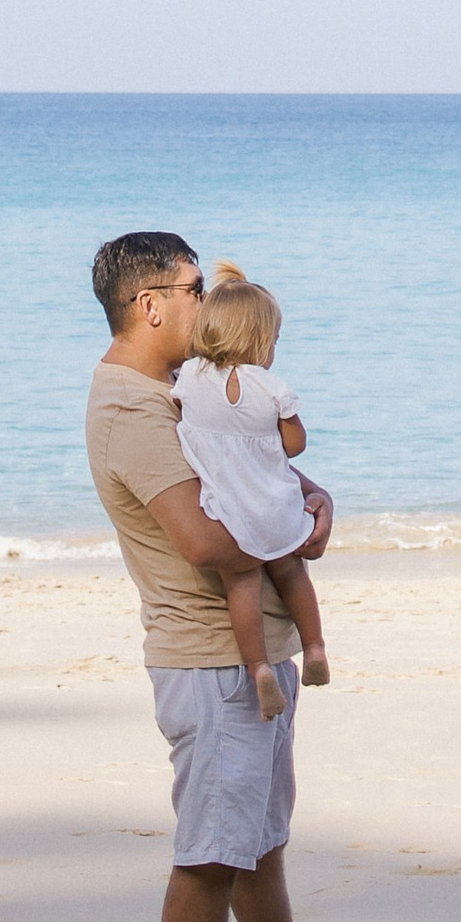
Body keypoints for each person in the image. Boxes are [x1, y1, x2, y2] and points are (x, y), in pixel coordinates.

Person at [83, 227, 368, 922]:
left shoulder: (181, 389)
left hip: (255, 658)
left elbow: (252, 468)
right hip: (211, 663)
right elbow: (206, 541)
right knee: (211, 855)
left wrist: (310, 497)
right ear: (150, 305)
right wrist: (291, 530)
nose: (208, 302)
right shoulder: (132, 410)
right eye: (194, 288)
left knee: (258, 845)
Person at [174, 266, 331, 719]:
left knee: (241, 584)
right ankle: (315, 647)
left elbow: (181, 410)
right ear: (261, 341)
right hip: (274, 506)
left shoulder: (190, 376)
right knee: (291, 573)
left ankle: (259, 668)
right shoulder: (272, 389)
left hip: (228, 511)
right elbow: (295, 446)